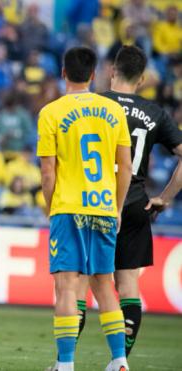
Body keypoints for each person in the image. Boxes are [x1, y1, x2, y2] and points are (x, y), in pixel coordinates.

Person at [76, 45, 182, 357]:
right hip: (135, 203)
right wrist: (164, 198)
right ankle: (119, 361)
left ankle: (64, 360)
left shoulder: (92, 104)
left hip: (92, 201)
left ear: (111, 70)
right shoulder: (154, 113)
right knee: (128, 289)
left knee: (78, 285)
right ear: (142, 79)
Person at [37, 46, 132, 371]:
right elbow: (126, 167)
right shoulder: (113, 111)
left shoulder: (51, 112)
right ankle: (119, 360)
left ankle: (65, 365)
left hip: (68, 207)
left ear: (63, 73)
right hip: (104, 207)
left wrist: (52, 208)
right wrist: (117, 208)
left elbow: (47, 172)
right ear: (94, 75)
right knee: (105, 285)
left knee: (66, 285)